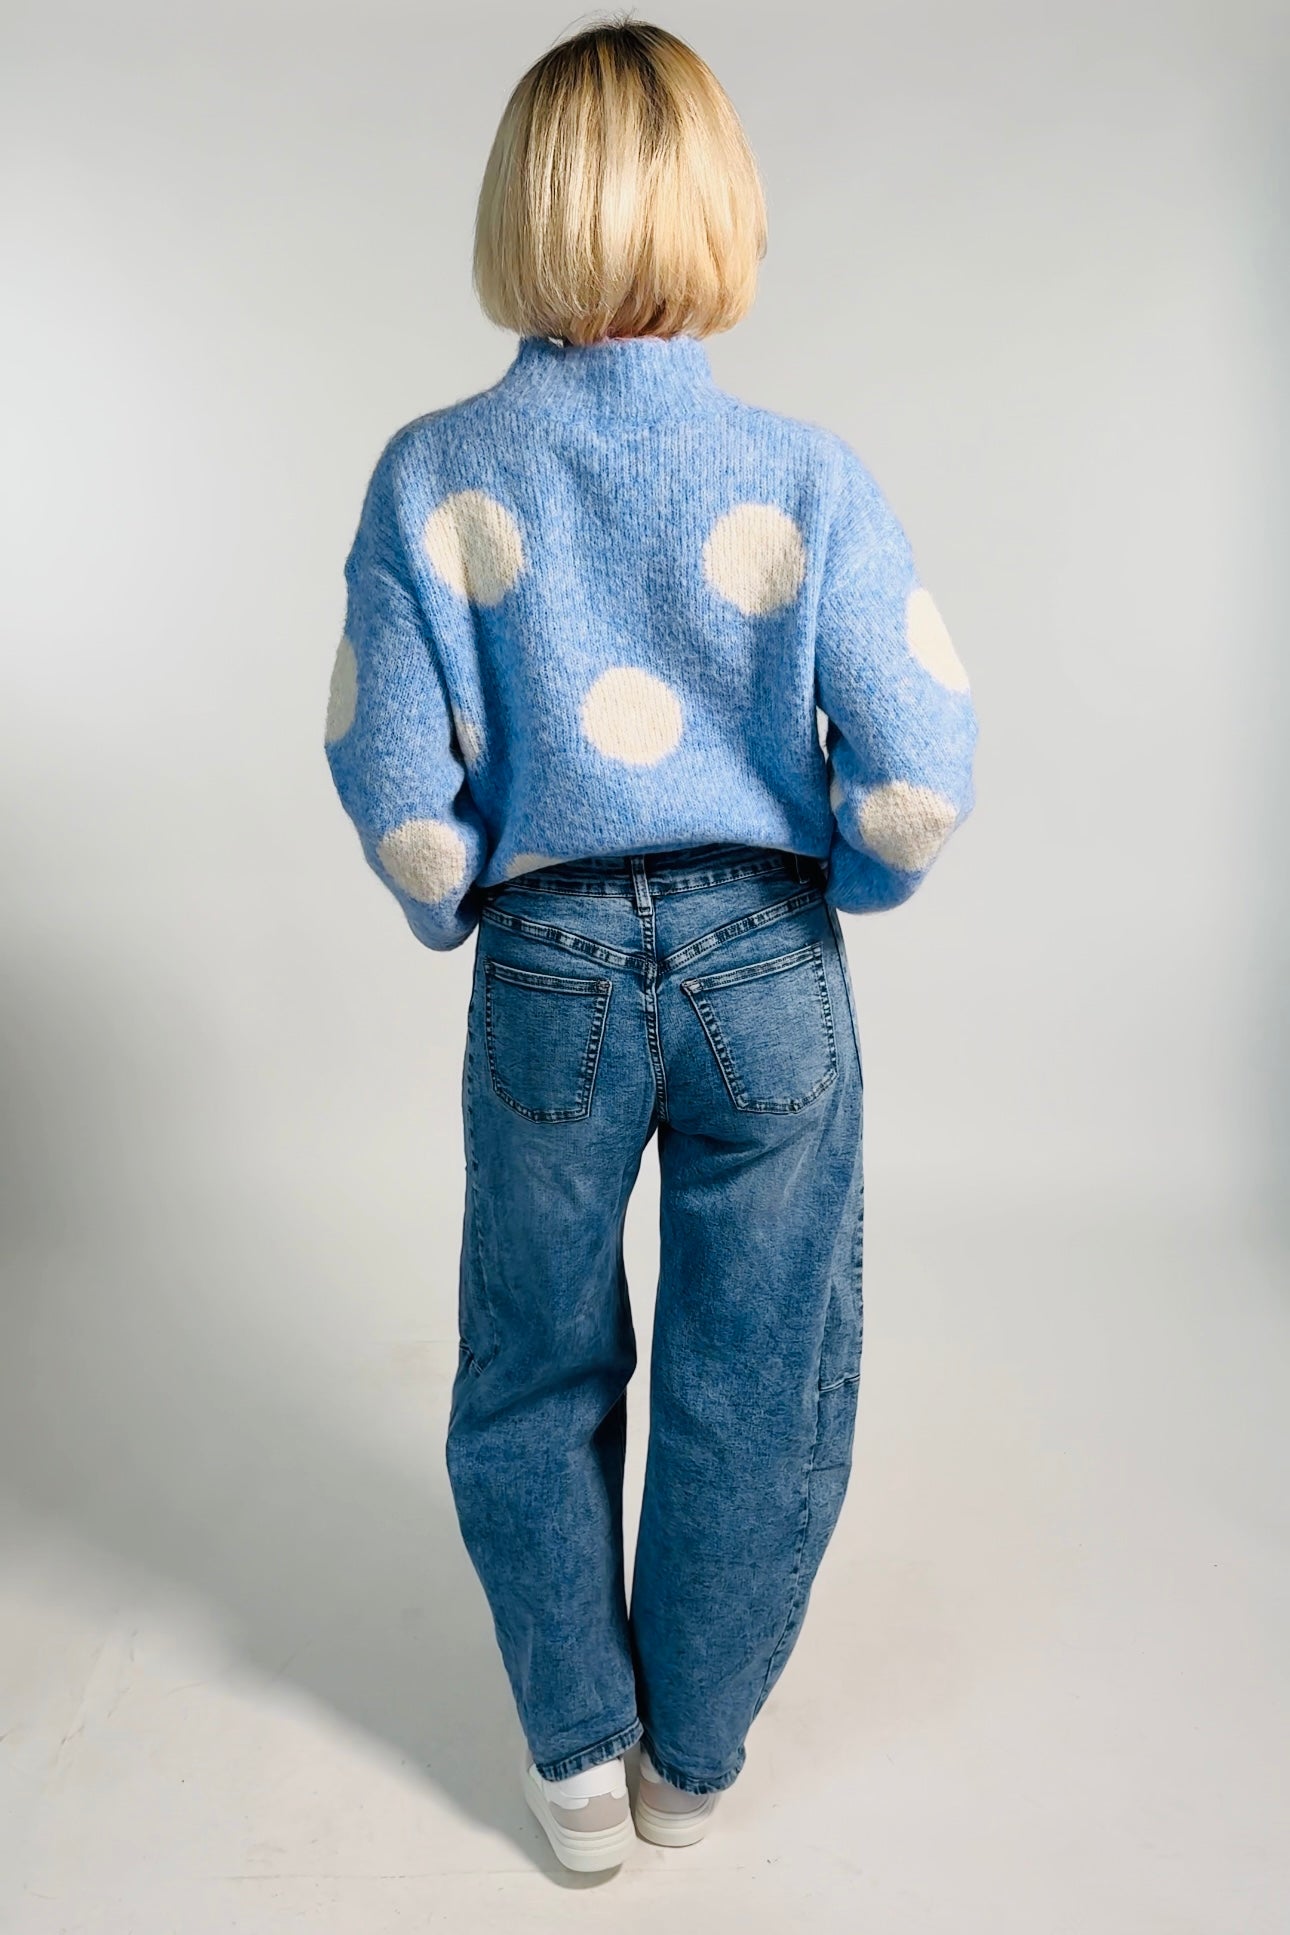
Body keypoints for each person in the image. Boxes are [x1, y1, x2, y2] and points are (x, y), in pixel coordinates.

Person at [323, 18, 977, 1875]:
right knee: (754, 1372)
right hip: (764, 964)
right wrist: (832, 891)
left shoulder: (432, 472)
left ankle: (572, 1763)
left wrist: (454, 899)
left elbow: (394, 779)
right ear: (724, 213)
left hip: (545, 971)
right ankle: (693, 1753)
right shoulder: (805, 475)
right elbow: (918, 777)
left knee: (529, 1365)